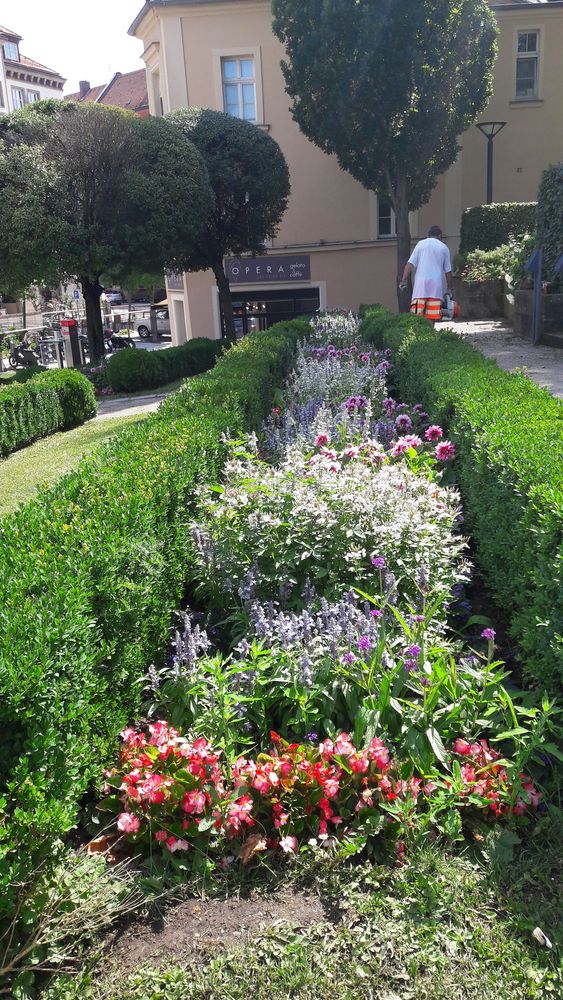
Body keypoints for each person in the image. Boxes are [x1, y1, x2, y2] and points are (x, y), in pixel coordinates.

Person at [400, 225, 453, 324]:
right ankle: (430, 335)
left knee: (416, 315)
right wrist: (449, 288)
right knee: (431, 316)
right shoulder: (443, 247)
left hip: (420, 286)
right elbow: (448, 271)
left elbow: (409, 264)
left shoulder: (420, 244)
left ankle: (417, 336)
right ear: (440, 235)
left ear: (427, 235)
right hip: (435, 286)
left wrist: (403, 280)